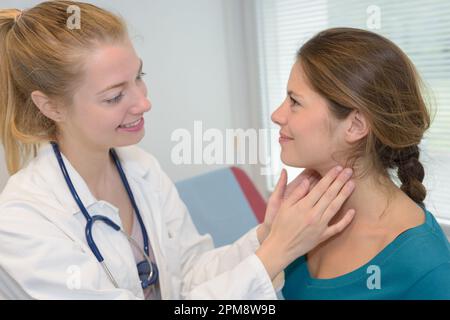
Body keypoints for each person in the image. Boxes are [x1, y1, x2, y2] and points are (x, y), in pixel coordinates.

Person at [0, 1, 356, 299]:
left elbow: (190, 276)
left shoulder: (141, 168)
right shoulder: (23, 220)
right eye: (114, 96)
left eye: (139, 77)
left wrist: (267, 235)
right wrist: (276, 254)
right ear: (51, 107)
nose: (144, 102)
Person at [274, 27, 450, 300]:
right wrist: (270, 240)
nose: (277, 115)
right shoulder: (299, 220)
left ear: (355, 126)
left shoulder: (425, 266)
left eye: (295, 101)